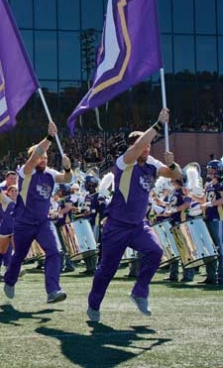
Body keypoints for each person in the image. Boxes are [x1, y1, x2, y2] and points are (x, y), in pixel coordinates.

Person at [87, 108, 182, 322]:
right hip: (117, 226)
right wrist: (158, 124)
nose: (147, 148)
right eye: (144, 145)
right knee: (107, 270)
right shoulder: (124, 161)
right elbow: (138, 146)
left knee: (156, 252)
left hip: (139, 225)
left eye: (149, 145)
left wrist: (172, 163)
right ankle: (93, 304)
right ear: (134, 147)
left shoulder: (152, 164)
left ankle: (139, 292)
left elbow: (177, 175)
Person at [3, 122, 72, 303]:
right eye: (42, 156)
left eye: (46, 157)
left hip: (43, 222)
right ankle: (9, 280)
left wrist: (67, 168)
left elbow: (67, 178)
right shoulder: (25, 171)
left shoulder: (49, 173)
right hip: (23, 223)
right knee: (19, 256)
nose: (44, 159)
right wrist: (49, 137)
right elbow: (35, 156)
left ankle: (53, 290)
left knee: (55, 252)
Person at [201, 160, 223, 285]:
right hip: (208, 218)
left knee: (219, 248)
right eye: (209, 168)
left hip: (218, 218)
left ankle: (221, 277)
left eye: (212, 169)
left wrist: (209, 204)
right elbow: (204, 201)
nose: (210, 171)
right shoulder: (208, 185)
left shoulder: (220, 184)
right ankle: (211, 276)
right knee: (209, 248)